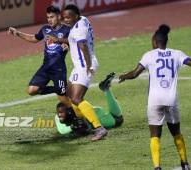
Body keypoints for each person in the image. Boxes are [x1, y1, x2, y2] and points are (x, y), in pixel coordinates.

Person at [119, 24, 191, 170]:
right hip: (171, 100)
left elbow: (134, 73)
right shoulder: (177, 54)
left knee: (155, 135)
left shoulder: (149, 55)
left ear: (154, 42)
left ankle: (157, 167)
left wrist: (123, 76)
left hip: (154, 101)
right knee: (176, 132)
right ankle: (184, 163)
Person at [7, 5, 71, 107]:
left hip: (58, 69)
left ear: (59, 16)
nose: (49, 20)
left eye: (52, 17)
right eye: (48, 17)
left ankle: (79, 115)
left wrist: (68, 46)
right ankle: (59, 89)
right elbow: (34, 38)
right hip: (45, 67)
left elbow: (75, 42)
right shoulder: (45, 29)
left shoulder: (67, 30)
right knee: (31, 90)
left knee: (64, 100)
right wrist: (17, 33)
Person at [61, 4, 107, 141]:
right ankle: (83, 125)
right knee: (69, 94)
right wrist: (61, 40)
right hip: (80, 66)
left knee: (76, 98)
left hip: (84, 66)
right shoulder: (83, 20)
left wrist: (88, 65)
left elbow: (83, 46)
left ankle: (99, 128)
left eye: (69, 17)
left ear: (76, 16)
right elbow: (75, 41)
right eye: (64, 17)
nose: (66, 20)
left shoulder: (78, 30)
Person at [55, 72, 123, 136]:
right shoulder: (61, 114)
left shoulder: (75, 106)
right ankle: (105, 88)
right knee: (117, 119)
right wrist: (72, 127)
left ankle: (106, 88)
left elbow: (63, 130)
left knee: (117, 119)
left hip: (95, 117)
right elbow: (62, 130)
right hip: (91, 118)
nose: (59, 115)